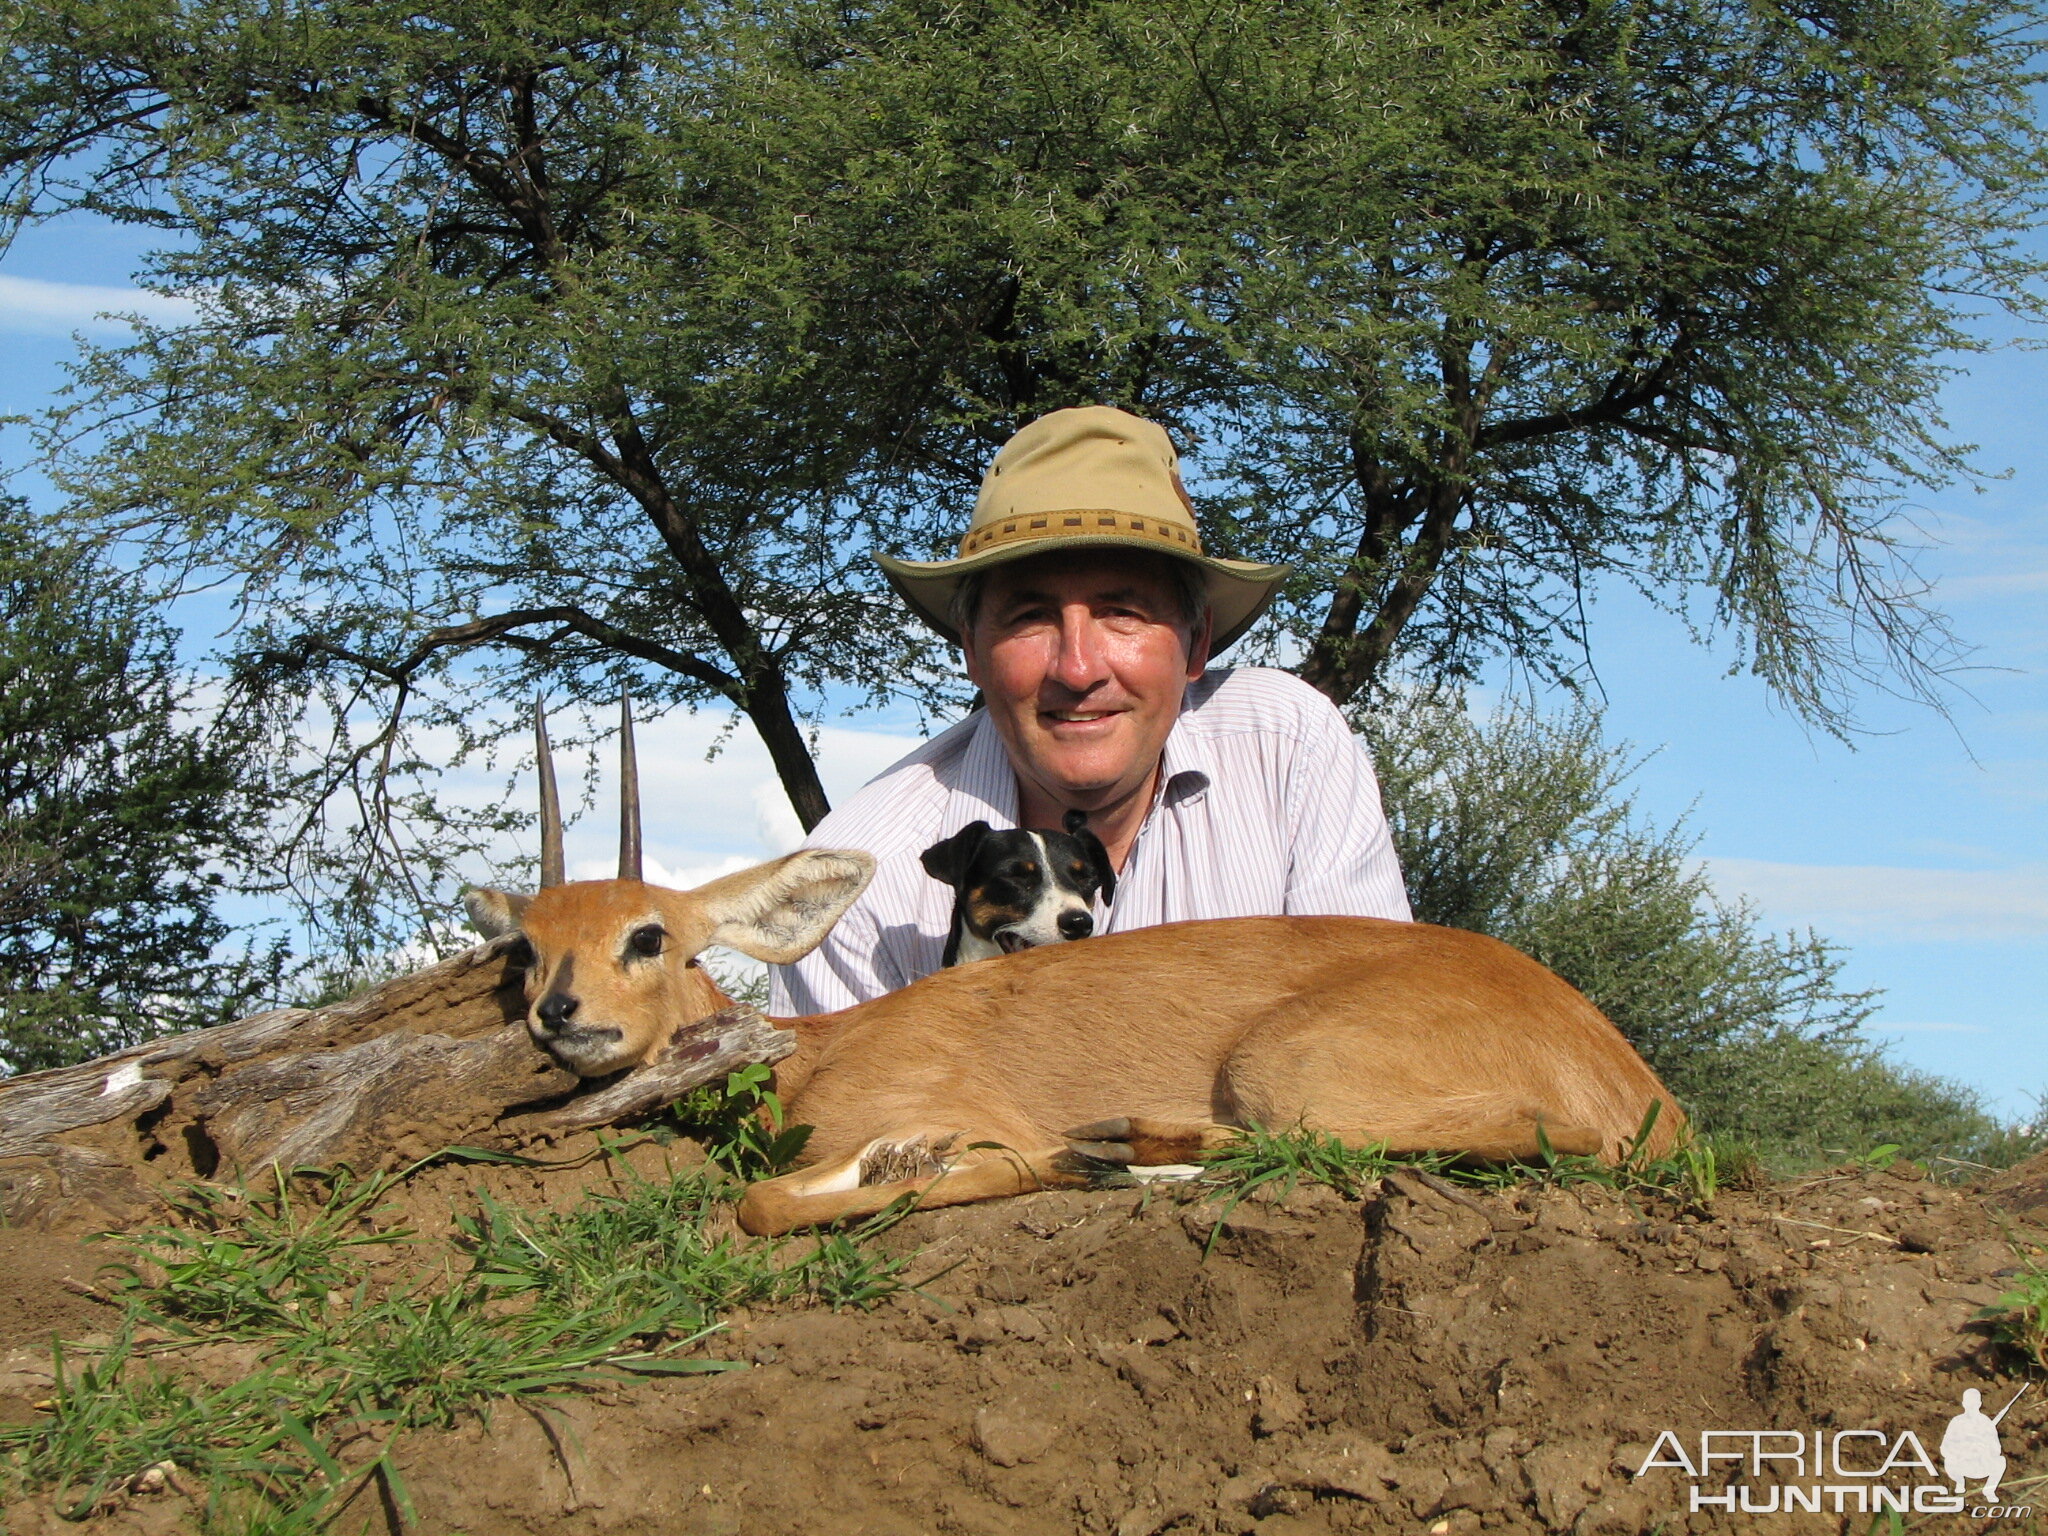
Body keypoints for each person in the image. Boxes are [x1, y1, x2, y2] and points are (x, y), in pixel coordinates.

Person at [769, 405, 1411, 1016]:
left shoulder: (1289, 743)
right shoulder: (854, 889)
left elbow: (1377, 1018)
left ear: (1197, 643)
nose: (1077, 669)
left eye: (1122, 614)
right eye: (1030, 618)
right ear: (971, 650)